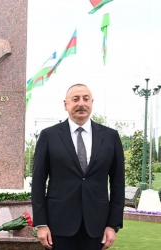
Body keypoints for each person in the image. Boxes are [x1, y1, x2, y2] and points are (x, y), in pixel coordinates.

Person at [31, 84, 125, 250]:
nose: (81, 103)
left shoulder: (111, 137)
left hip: (97, 227)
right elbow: (38, 183)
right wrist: (41, 223)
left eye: (86, 99)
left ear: (92, 103)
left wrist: (113, 225)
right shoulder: (49, 136)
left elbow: (118, 184)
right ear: (65, 104)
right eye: (75, 99)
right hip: (58, 227)